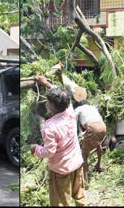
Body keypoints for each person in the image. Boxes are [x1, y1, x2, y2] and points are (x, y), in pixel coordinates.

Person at [30, 77, 86, 206]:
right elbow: (63, 96)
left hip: (61, 170)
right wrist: (46, 83)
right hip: (77, 164)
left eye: (48, 102)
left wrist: (36, 149)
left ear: (51, 105)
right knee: (79, 195)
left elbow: (49, 151)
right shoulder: (70, 113)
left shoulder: (49, 127)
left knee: (61, 201)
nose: (46, 103)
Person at [74, 100, 107, 186]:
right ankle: (98, 165)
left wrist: (78, 134)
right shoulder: (93, 107)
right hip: (102, 126)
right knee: (98, 143)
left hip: (92, 127)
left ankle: (85, 181)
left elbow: (74, 123)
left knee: (84, 154)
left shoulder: (78, 109)